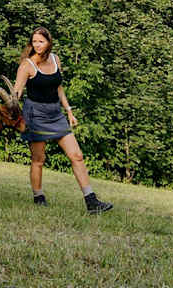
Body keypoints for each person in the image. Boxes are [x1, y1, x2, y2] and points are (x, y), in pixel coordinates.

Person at [12, 26, 113, 214]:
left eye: (41, 41)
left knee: (77, 155)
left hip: (55, 113)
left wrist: (69, 111)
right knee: (38, 159)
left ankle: (91, 202)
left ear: (49, 42)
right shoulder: (27, 65)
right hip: (35, 114)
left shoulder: (55, 59)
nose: (37, 45)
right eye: (34, 41)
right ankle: (39, 197)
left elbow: (58, 88)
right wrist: (13, 109)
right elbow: (16, 92)